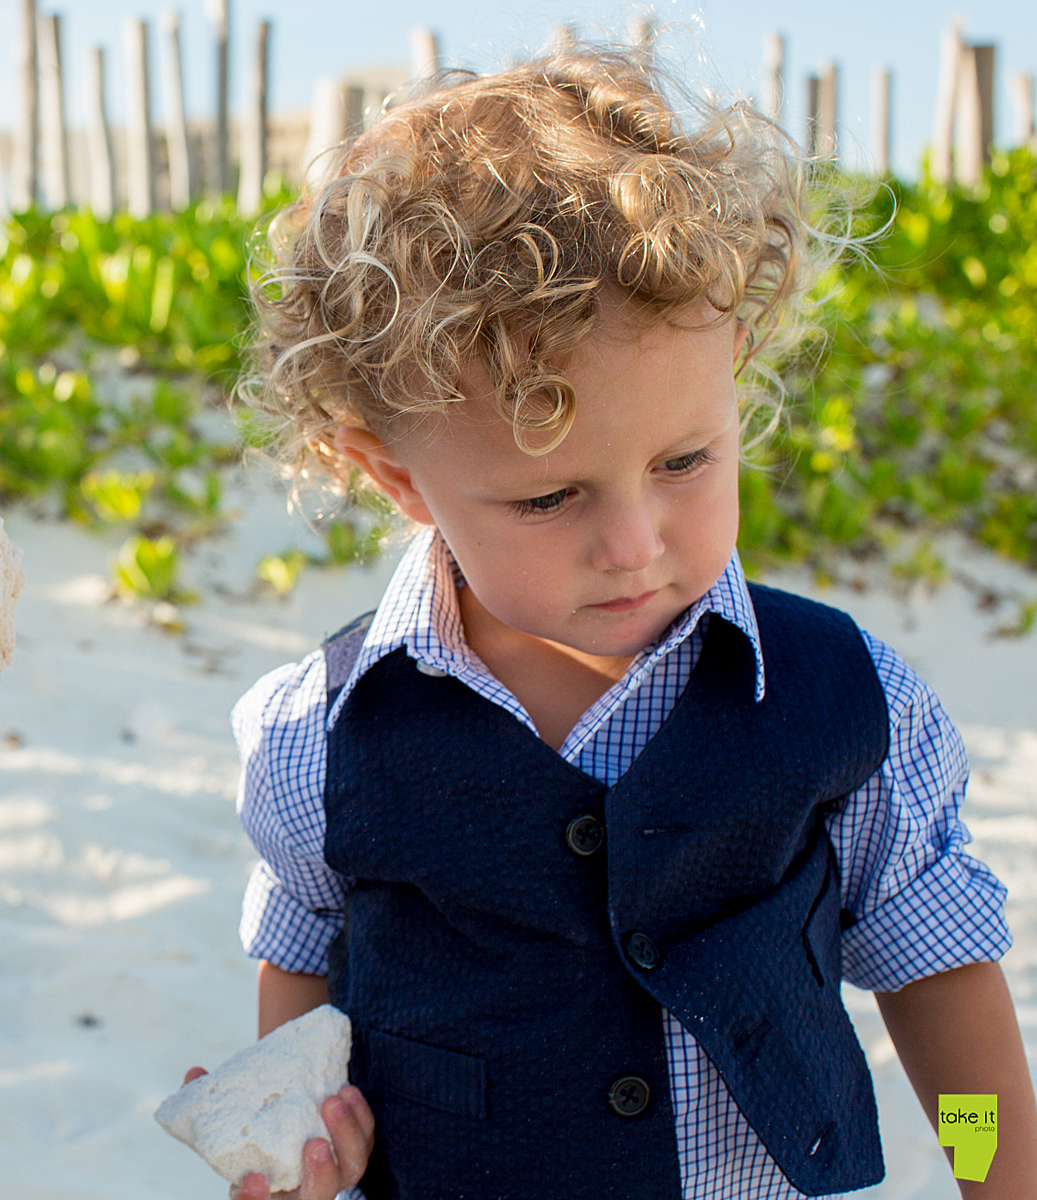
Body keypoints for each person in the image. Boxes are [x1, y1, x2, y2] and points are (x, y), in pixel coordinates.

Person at [224, 45, 1037, 1200]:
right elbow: (302, 966)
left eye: (686, 459)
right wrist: (301, 1132)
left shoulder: (848, 702)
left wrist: (993, 1182)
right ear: (395, 476)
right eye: (549, 497)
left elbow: (942, 988)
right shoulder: (318, 731)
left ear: (736, 368)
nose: (636, 543)